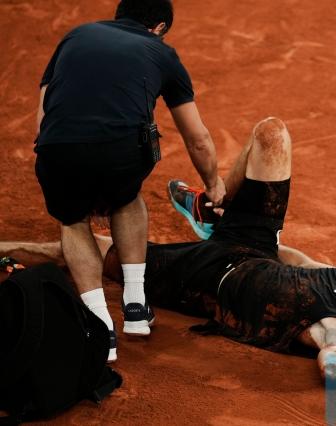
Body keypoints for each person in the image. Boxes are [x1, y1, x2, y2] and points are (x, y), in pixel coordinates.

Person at [6, 117, 336, 379]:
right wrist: (250, 225)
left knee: (78, 251)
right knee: (271, 134)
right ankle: (210, 208)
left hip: (204, 278)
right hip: (253, 244)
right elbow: (302, 262)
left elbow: (332, 370)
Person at [34, 0, 226, 362]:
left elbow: (45, 112)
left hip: (57, 147)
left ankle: (99, 326)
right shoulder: (162, 52)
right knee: (126, 197)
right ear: (160, 28)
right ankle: (135, 304)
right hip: (120, 153)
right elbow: (197, 139)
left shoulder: (75, 36)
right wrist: (213, 183)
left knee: (73, 220)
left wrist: (63, 164)